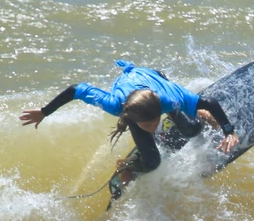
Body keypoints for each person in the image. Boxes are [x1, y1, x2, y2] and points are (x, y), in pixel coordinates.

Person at [19, 60, 240, 189]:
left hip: (155, 84)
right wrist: (44, 112)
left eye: (155, 123)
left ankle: (194, 114)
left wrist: (229, 131)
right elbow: (76, 89)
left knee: (193, 128)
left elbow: (210, 102)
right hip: (133, 99)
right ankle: (126, 166)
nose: (153, 128)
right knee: (152, 162)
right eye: (147, 126)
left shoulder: (170, 98)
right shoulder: (117, 106)